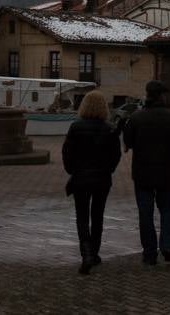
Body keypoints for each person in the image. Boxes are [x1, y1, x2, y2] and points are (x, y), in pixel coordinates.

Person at [122, 80, 170, 266]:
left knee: (145, 213)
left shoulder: (136, 118)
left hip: (142, 172)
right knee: (166, 209)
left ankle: (149, 252)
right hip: (166, 171)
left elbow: (128, 141)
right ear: (162, 96)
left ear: (148, 95)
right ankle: (167, 245)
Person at [62, 91, 122, 275]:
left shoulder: (76, 127)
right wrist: (108, 170)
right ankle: (94, 254)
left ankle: (86, 254)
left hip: (80, 178)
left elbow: (67, 153)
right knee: (98, 216)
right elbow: (115, 155)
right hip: (102, 178)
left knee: (82, 217)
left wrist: (72, 170)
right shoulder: (109, 128)